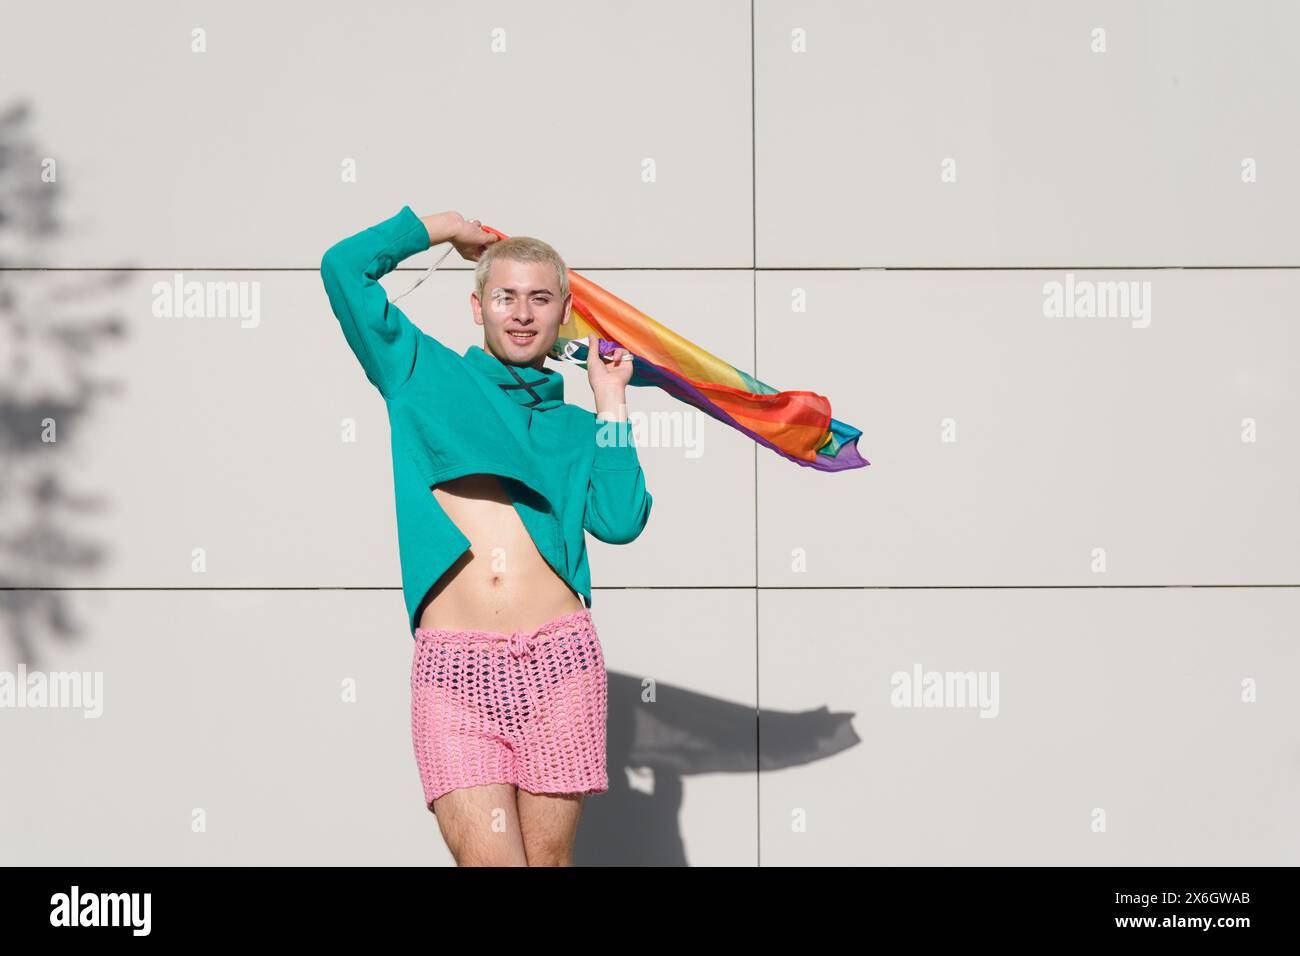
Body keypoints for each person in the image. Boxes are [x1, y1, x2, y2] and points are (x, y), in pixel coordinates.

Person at [319, 207, 652, 866]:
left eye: (540, 298)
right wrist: (441, 227)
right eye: (505, 297)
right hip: (455, 670)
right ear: (478, 307)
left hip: (562, 666)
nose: (522, 313)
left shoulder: (575, 427)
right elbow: (342, 268)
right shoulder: (420, 373)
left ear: (564, 315)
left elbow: (620, 520)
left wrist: (611, 403)